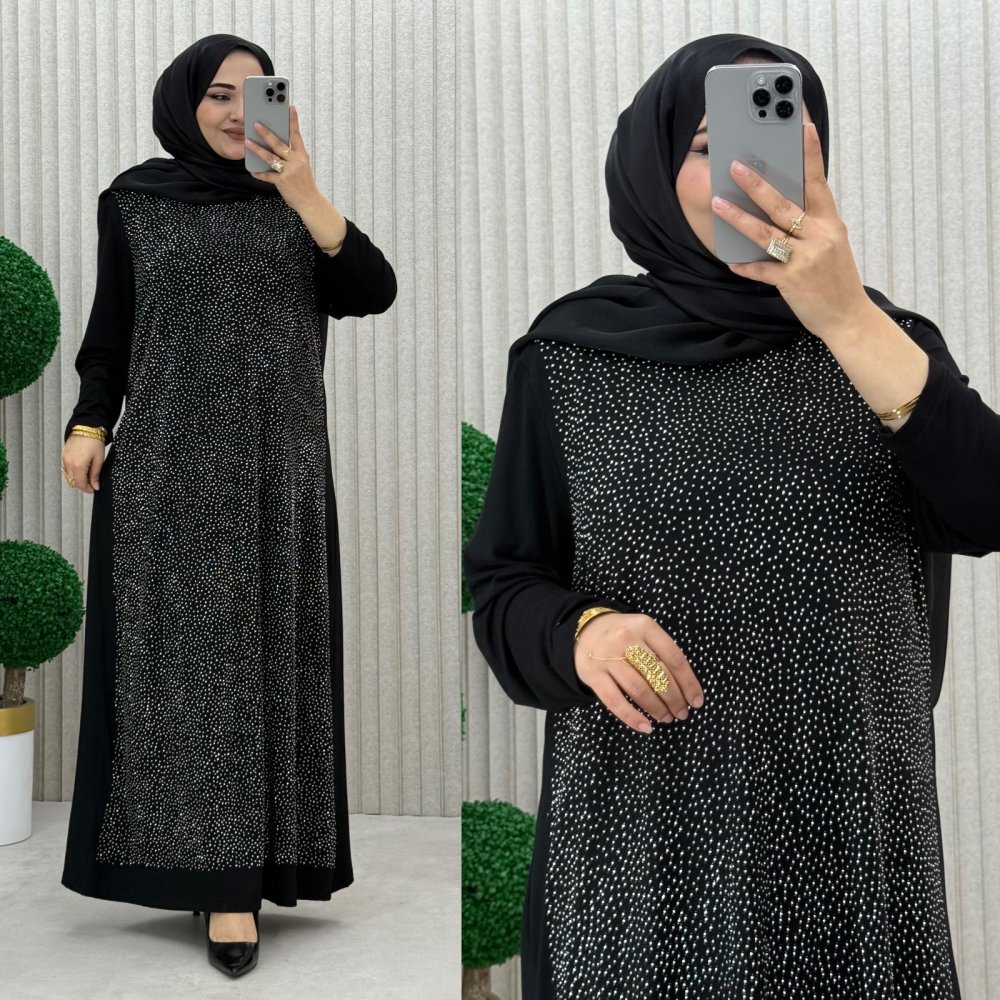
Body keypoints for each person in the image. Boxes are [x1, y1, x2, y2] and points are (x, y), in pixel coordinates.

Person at [464, 32, 1000, 999]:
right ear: (654, 163)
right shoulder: (569, 355)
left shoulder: (888, 346)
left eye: (786, 143)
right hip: (640, 842)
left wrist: (845, 316)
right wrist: (582, 632)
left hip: (845, 841)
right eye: (711, 146)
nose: (749, 174)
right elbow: (505, 582)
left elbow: (988, 506)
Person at [59, 33, 395, 978]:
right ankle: (210, 879)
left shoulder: (295, 203)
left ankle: (249, 872)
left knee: (268, 668)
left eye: (257, 93)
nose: (237, 112)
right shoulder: (135, 202)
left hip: (278, 473)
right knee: (182, 674)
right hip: (168, 468)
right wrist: (89, 422)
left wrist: (307, 193)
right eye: (218, 94)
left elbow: (372, 292)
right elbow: (111, 329)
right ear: (184, 102)